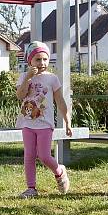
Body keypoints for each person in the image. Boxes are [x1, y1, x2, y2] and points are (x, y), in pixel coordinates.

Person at [15, 41, 72, 198]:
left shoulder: (52, 79)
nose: (42, 63)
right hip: (27, 123)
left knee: (44, 156)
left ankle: (59, 171)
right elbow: (20, 95)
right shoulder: (24, 77)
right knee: (29, 155)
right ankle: (31, 188)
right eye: (38, 59)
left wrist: (67, 122)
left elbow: (60, 101)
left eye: (45, 59)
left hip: (45, 124)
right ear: (30, 61)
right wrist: (28, 76)